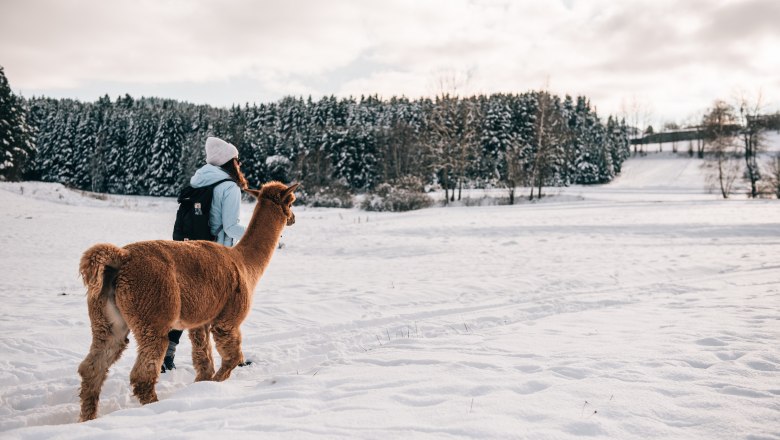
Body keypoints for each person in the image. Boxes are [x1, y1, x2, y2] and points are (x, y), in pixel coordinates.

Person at [162, 136, 249, 372]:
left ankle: (165, 355)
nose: (239, 164)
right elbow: (230, 227)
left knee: (184, 304)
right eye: (237, 160)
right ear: (230, 162)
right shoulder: (228, 187)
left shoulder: (199, 181)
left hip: (187, 251)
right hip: (215, 256)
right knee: (228, 307)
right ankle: (232, 356)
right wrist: (256, 233)